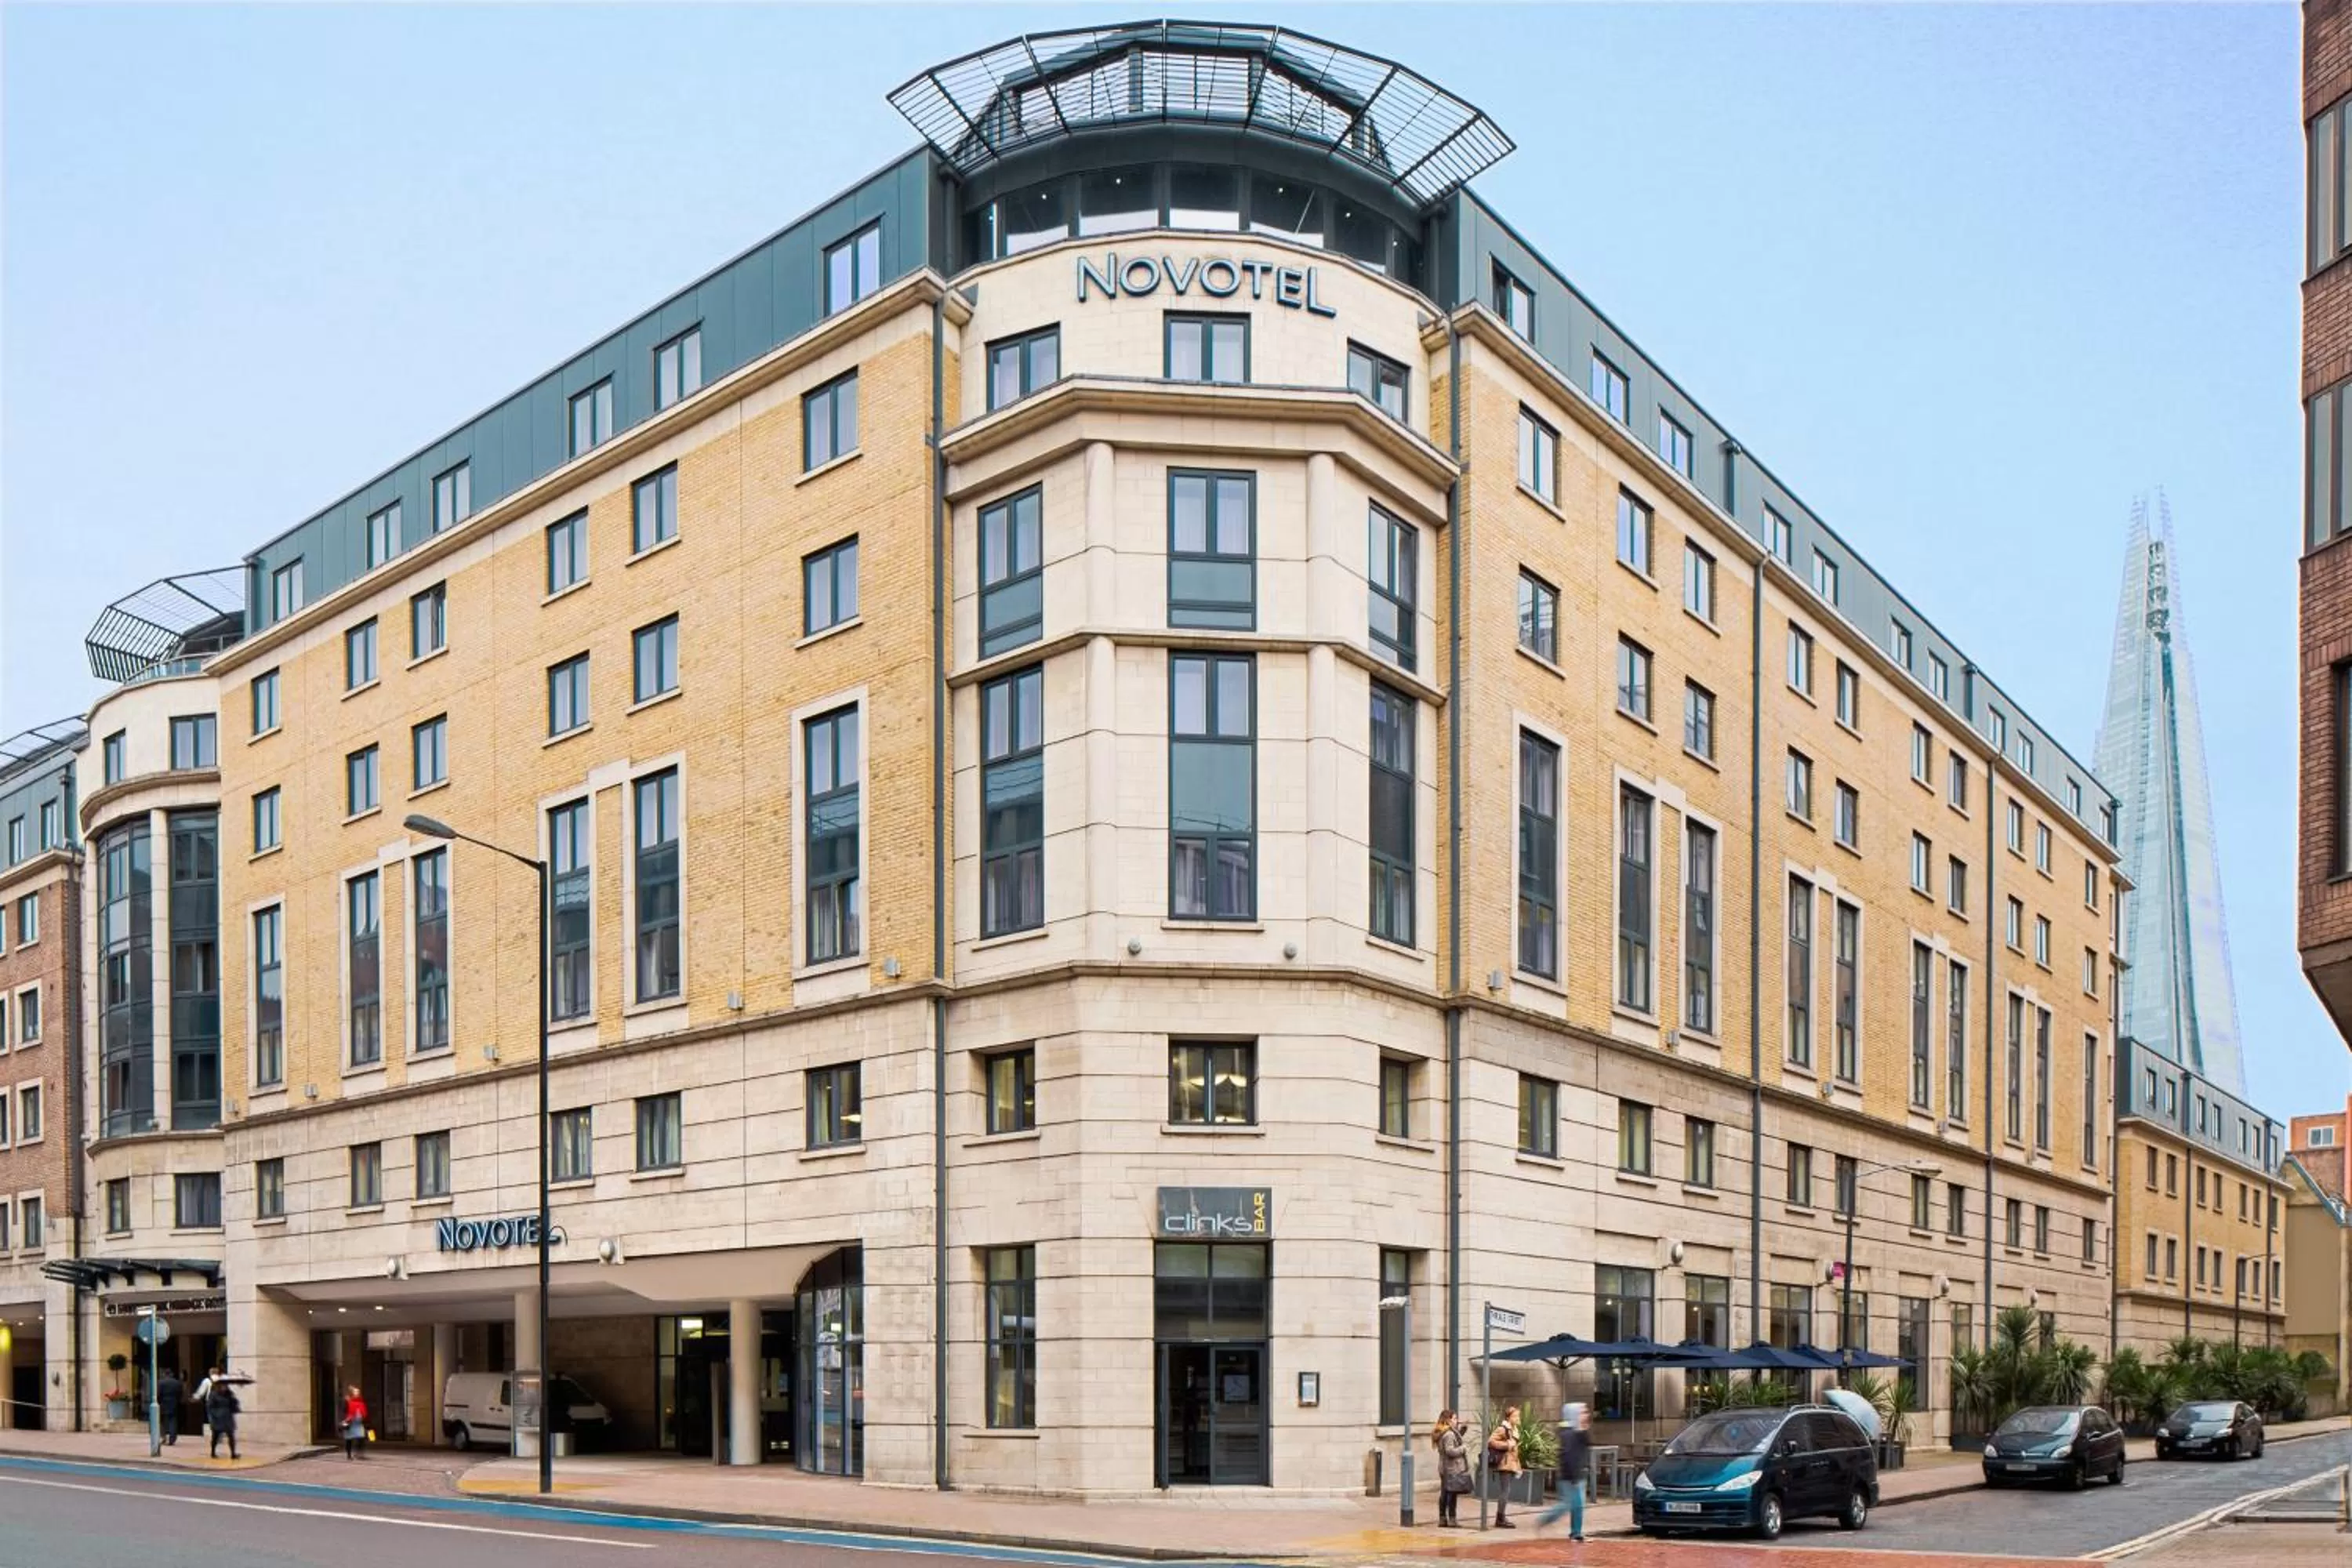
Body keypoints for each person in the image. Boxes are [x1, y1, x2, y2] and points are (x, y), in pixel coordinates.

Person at [1538, 1401, 1592, 1541]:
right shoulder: (1569, 1434)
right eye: (1582, 1412)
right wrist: (1574, 1477)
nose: (1586, 1415)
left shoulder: (1577, 1431)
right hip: (1570, 1476)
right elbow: (1569, 1456)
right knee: (1568, 1504)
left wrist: (1584, 1428)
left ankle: (1576, 1533)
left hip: (1576, 1474)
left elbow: (1587, 1443)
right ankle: (1544, 1519)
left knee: (1577, 1505)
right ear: (1574, 1415)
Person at [1433, 1409, 1472, 1527]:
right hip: (1451, 1468)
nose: (1457, 1420)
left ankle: (1443, 1518)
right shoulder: (1449, 1434)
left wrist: (1462, 1430)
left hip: (1444, 1467)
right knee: (1452, 1494)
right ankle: (1452, 1519)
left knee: (1445, 1493)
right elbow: (1450, 1450)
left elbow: (1453, 1441)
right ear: (1448, 1420)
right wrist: (1463, 1449)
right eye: (1455, 1418)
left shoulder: (1444, 1432)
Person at [1486, 1403, 1522, 1528]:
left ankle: (1501, 1517)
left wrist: (1518, 1466)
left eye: (1518, 1416)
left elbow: (1515, 1450)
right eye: (1515, 1416)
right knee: (1505, 1491)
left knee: (1506, 1490)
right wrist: (1507, 1445)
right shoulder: (1503, 1429)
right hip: (1504, 1464)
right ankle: (1500, 1518)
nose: (1518, 1418)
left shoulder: (1514, 1430)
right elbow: (1490, 1441)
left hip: (1511, 1464)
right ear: (1508, 1418)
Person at [205, 1374, 241, 1461]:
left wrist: (234, 1399)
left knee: (231, 1436)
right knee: (215, 1437)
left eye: (225, 1385)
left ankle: (233, 1454)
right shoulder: (214, 1394)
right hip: (218, 1418)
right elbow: (210, 1407)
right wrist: (214, 1416)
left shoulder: (229, 1394)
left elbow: (234, 1404)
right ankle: (213, 1452)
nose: (224, 1387)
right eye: (223, 1385)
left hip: (228, 1417)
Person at [155, 1367, 183, 1446]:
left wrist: (159, 1402)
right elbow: (180, 1394)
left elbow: (158, 1394)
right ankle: (172, 1438)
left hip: (163, 1404)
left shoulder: (161, 1382)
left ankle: (163, 1437)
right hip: (174, 1403)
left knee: (162, 1421)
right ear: (172, 1374)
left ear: (164, 1374)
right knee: (173, 1421)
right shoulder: (177, 1383)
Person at [341, 1385, 369, 1460]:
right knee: (349, 1440)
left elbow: (364, 1413)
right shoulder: (348, 1401)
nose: (357, 1393)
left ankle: (358, 1454)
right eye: (356, 1392)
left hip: (358, 1424)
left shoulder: (361, 1402)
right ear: (352, 1393)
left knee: (361, 1438)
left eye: (358, 1392)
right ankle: (349, 1455)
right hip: (350, 1423)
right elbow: (344, 1411)